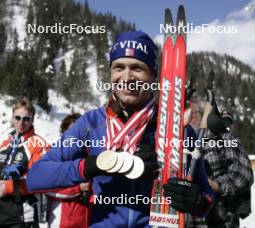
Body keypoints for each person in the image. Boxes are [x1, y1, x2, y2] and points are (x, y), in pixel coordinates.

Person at [26, 31, 214, 227]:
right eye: (118, 67)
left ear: (153, 75)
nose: (127, 77)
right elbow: (36, 176)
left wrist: (198, 202)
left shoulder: (175, 127)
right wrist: (92, 165)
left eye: (137, 68)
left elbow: (206, 193)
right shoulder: (91, 123)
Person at [0, 99, 49, 228]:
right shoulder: (5, 143)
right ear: (12, 117)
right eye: (17, 117)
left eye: (26, 119)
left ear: (33, 120)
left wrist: (7, 187)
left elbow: (41, 180)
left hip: (22, 215)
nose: (21, 122)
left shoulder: (39, 144)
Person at [202, 110, 254, 228]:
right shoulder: (191, 137)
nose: (226, 125)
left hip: (222, 217)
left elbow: (244, 174)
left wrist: (218, 185)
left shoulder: (227, 137)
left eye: (228, 121)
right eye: (224, 120)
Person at [46, 112, 91, 228]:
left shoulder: (91, 156)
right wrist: (78, 188)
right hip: (62, 221)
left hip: (87, 220)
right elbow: (47, 187)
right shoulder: (54, 156)